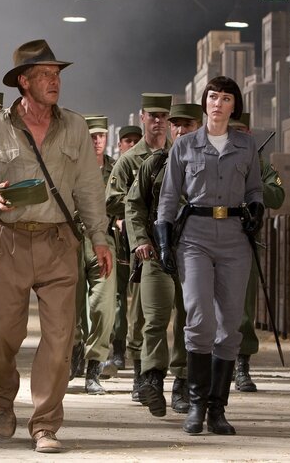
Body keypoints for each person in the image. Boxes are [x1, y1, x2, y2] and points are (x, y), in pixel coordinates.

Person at [0, 39, 111, 454]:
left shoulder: (75, 126)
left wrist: (99, 238)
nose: (54, 81)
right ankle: (3, 394)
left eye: (57, 74)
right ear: (24, 82)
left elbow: (89, 188)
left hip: (58, 241)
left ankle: (45, 424)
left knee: (60, 338)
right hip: (8, 241)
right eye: (45, 74)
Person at [155, 75, 263, 436]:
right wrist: (164, 238)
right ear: (205, 103)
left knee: (229, 326)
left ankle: (218, 409)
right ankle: (197, 404)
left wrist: (257, 209)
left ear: (234, 107)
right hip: (195, 238)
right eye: (213, 97)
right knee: (199, 319)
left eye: (226, 98)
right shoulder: (185, 146)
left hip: (234, 239)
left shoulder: (246, 146)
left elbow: (255, 189)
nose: (218, 103)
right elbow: (169, 196)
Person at [124, 103, 202, 417]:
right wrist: (140, 241)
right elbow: (134, 205)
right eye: (176, 124)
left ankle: (182, 383)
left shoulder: (211, 165)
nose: (181, 130)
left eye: (188, 125)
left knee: (188, 320)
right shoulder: (155, 164)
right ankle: (153, 379)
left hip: (195, 254)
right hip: (157, 252)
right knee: (154, 319)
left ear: (199, 127)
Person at [106, 93, 172, 403]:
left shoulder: (178, 155)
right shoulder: (130, 160)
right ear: (142, 117)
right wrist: (141, 208)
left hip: (176, 243)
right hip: (143, 244)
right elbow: (112, 201)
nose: (158, 121)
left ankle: (176, 379)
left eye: (163, 116)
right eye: (153, 115)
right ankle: (139, 374)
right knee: (142, 312)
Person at [229, 112, 285, 392]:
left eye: (241, 131)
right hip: (212, 239)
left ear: (249, 133)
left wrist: (252, 185)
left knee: (244, 307)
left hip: (246, 240)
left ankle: (242, 363)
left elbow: (277, 196)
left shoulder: (261, 164)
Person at [72, 115, 116, 395]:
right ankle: (75, 349)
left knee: (103, 306)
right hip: (72, 239)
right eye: (92, 136)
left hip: (103, 241)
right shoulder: (70, 167)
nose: (97, 141)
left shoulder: (115, 168)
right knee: (70, 306)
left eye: (101, 136)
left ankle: (94, 366)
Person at [99, 124, 143, 379]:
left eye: (136, 140)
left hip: (140, 240)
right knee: (116, 297)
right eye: (128, 141)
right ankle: (117, 348)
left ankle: (135, 349)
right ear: (120, 144)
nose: (132, 145)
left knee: (139, 298)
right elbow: (110, 201)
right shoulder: (117, 169)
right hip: (117, 239)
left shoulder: (151, 164)